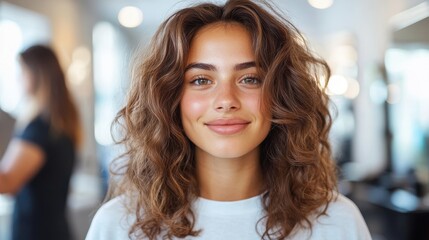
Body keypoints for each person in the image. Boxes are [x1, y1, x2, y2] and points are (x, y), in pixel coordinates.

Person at [86, 0, 371, 239]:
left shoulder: (338, 222)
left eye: (250, 79)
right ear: (170, 98)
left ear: (282, 95)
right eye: (200, 80)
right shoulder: (118, 226)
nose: (226, 100)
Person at [0, 45, 82, 240]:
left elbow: (6, 183)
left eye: (22, 72)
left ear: (37, 75)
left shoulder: (39, 129)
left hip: (36, 232)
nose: (18, 79)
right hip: (54, 229)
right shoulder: (60, 124)